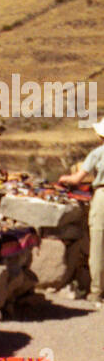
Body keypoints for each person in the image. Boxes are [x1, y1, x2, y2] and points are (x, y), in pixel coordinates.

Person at [59, 116, 104, 305]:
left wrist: (64, 179)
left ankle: (97, 291)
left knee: (98, 244)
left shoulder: (97, 153)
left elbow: (78, 179)